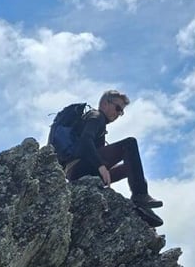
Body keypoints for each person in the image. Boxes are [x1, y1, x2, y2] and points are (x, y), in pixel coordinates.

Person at [62, 90, 162, 225]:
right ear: (104, 103)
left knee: (131, 167)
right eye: (118, 108)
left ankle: (142, 210)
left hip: (80, 171)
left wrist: (103, 167)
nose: (118, 114)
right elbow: (85, 141)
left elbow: (92, 148)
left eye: (121, 112)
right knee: (129, 144)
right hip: (78, 168)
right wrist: (100, 166)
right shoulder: (96, 116)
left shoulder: (99, 125)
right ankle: (140, 196)